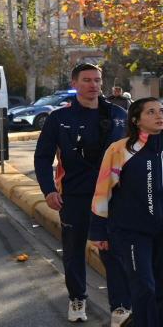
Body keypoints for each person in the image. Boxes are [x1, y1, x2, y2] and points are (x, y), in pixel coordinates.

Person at [34, 63, 132, 326]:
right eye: (87, 80)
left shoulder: (119, 115)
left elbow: (134, 154)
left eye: (97, 80)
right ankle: (77, 298)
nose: (93, 85)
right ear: (74, 84)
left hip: (113, 197)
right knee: (74, 250)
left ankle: (120, 307)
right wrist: (48, 190)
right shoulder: (58, 118)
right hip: (75, 196)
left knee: (114, 252)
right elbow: (42, 157)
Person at [91, 97, 163, 327]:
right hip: (132, 232)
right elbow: (102, 190)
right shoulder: (119, 150)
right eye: (151, 112)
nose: (159, 115)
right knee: (144, 287)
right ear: (136, 120)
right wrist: (98, 230)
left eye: (161, 110)